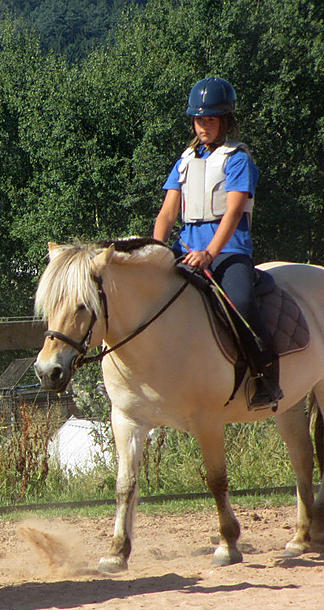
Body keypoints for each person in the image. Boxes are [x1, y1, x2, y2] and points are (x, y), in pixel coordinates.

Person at [153, 76, 282, 411]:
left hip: (227, 251)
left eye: (209, 119)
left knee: (240, 301)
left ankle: (265, 376)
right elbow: (167, 213)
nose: (203, 126)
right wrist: (155, 251)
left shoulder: (238, 159)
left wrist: (210, 253)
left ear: (225, 121)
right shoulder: (184, 161)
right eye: (199, 119)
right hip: (185, 252)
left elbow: (234, 210)